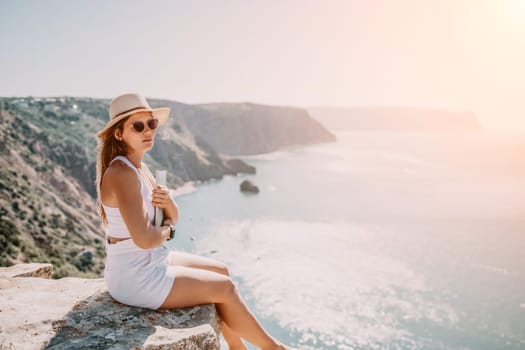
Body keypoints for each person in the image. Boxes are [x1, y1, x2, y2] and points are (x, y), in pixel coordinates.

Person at [96, 93, 287, 350]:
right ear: (118, 134)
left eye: (151, 123)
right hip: (135, 276)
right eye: (138, 126)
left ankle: (236, 346)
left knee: (221, 271)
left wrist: (168, 204)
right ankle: (274, 348)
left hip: (150, 260)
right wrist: (168, 231)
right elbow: (145, 239)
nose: (147, 130)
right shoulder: (122, 173)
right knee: (226, 288)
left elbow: (172, 216)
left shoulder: (141, 169)